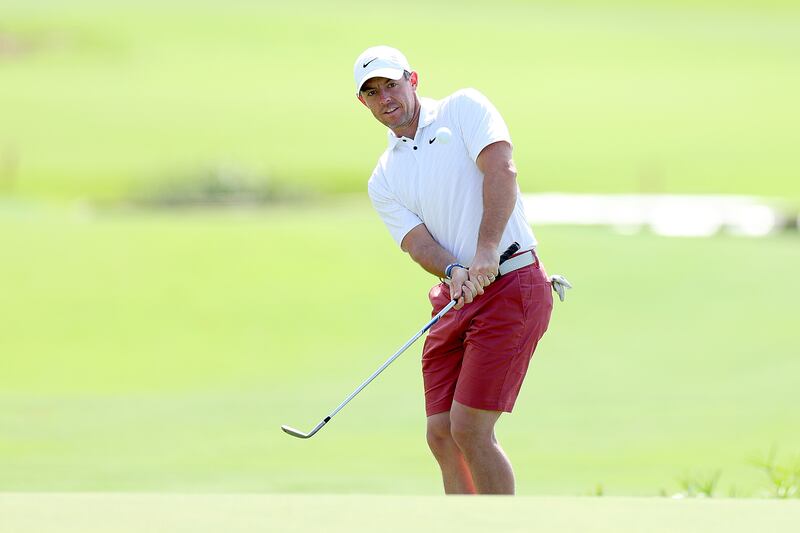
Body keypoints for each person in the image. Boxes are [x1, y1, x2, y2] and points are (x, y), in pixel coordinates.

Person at [354, 45, 554, 495]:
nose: (386, 97)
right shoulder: (384, 176)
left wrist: (484, 252)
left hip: (510, 282)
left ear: (413, 80)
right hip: (456, 297)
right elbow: (415, 242)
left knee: (469, 429)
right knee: (441, 434)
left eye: (391, 84)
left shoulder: (464, 108)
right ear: (362, 103)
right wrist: (452, 268)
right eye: (372, 92)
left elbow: (500, 170)